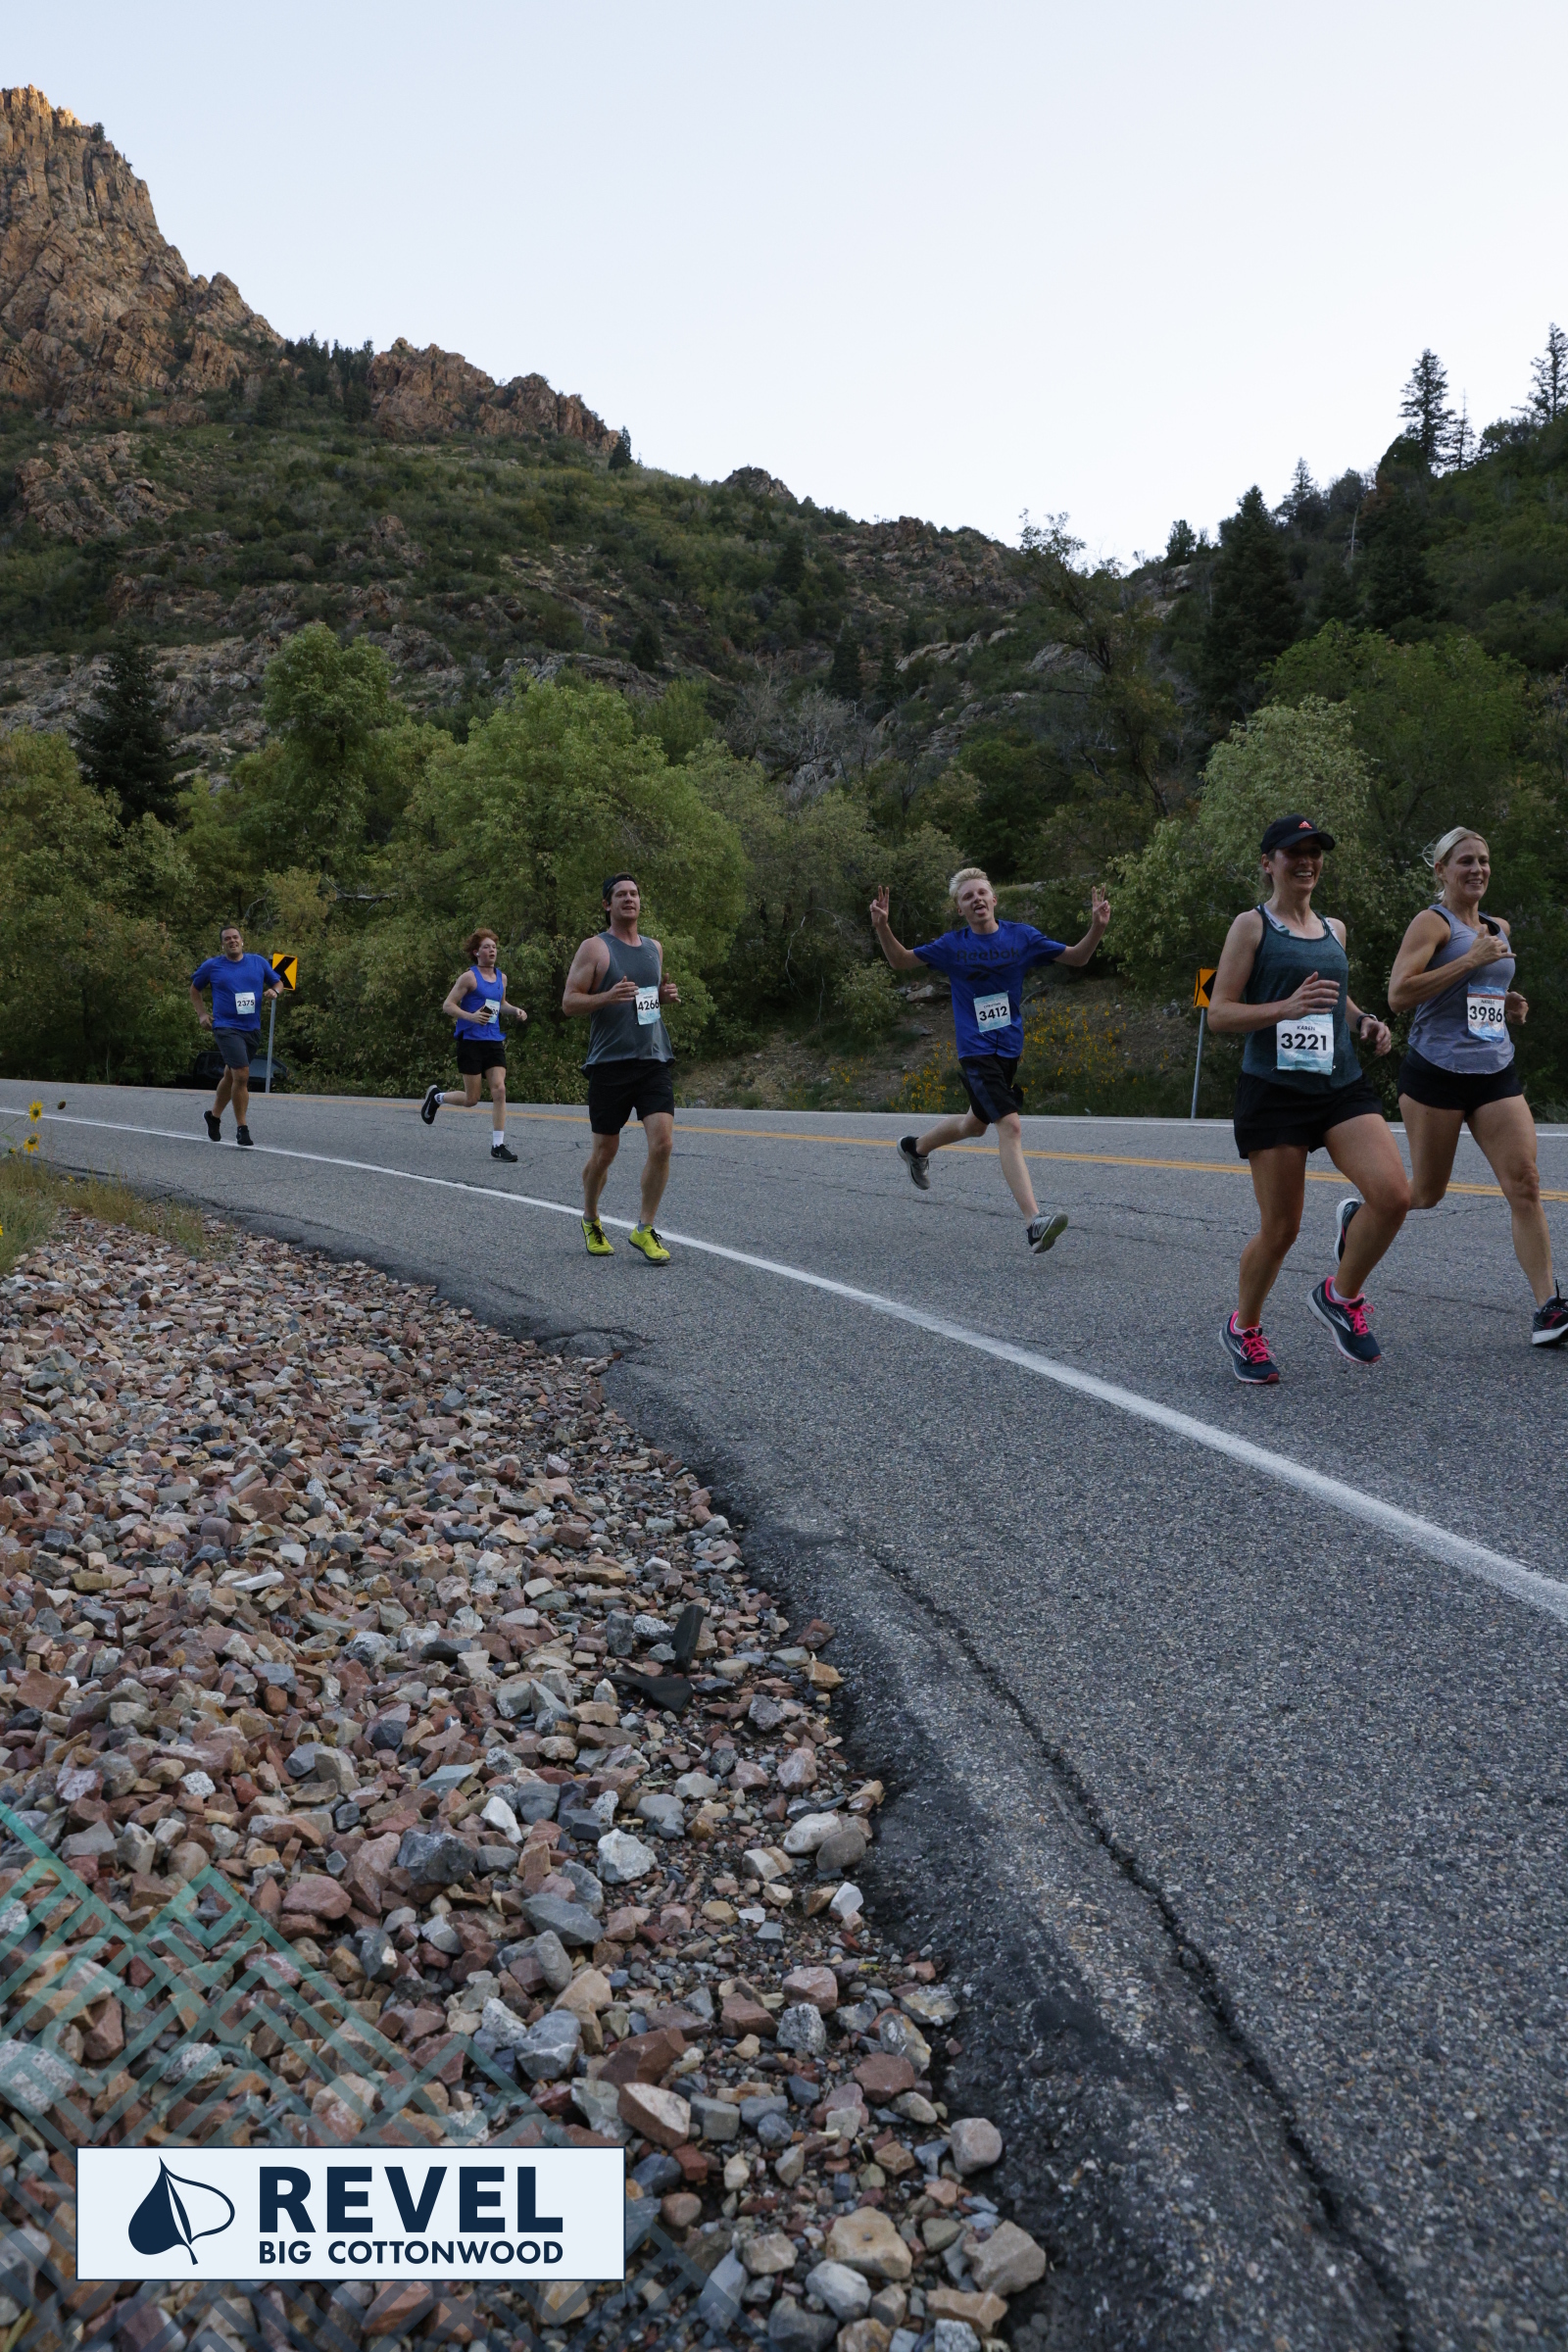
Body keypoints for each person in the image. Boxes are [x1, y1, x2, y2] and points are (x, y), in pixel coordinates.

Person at [1206, 815, 1408, 1380]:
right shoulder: (1251, 926)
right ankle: (1244, 1328)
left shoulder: (1334, 928)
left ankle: (1340, 1296)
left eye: (1315, 852)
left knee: (1394, 1196)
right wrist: (1284, 1009)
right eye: (1294, 852)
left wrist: (1363, 1020)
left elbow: (1334, 998)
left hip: (1339, 1084)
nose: (1307, 861)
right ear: (1268, 862)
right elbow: (1220, 1013)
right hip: (1274, 1092)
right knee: (1281, 1229)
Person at [1382, 826, 1567, 1347]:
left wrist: (1506, 1002)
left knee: (1525, 1183)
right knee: (1426, 1193)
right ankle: (1363, 1214)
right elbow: (1399, 994)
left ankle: (1548, 1308)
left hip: (1494, 1071)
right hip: (1436, 1072)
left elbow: (1479, 989)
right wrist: (1470, 961)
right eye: (1465, 861)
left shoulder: (1497, 927)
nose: (1477, 869)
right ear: (1441, 870)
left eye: (1483, 860)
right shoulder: (1431, 923)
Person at [869, 866, 1110, 1253]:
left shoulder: (1022, 937)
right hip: (976, 1051)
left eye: (982, 892)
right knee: (1009, 1126)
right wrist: (883, 927)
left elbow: (1077, 958)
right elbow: (901, 961)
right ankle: (1034, 1223)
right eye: (967, 896)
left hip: (1009, 1048)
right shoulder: (952, 946)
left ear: (994, 899)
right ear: (960, 908)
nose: (976, 899)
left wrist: (1096, 927)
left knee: (974, 1124)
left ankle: (915, 1148)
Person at [561, 875, 680, 1262]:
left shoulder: (654, 948)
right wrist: (606, 997)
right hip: (609, 1063)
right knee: (605, 1152)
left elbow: (643, 1003)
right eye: (621, 895)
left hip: (653, 1059)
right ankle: (590, 1218)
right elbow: (569, 1003)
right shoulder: (595, 948)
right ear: (607, 905)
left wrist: (660, 997)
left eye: (634, 894)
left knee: (663, 1143)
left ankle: (644, 1228)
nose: (629, 899)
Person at [420, 929, 528, 1162]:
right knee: (472, 1099)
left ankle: (498, 1145)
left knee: (499, 1090)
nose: (492, 951)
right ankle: (437, 1097)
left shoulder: (501, 978)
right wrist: (471, 1016)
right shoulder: (469, 978)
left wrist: (516, 1011)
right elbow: (448, 1005)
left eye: (494, 947)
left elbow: (501, 1003)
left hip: (493, 1040)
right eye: (487, 947)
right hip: (470, 1041)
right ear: (476, 952)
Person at [190, 924, 285, 1148]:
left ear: (242, 941)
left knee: (231, 1076)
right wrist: (202, 1014)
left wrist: (275, 991)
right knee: (242, 1074)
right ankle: (242, 1129)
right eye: (227, 939)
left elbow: (278, 982)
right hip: (226, 1027)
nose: (232, 941)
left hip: (251, 1028)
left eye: (235, 937)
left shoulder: (257, 962)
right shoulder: (212, 966)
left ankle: (213, 1116)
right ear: (222, 944)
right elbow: (195, 989)